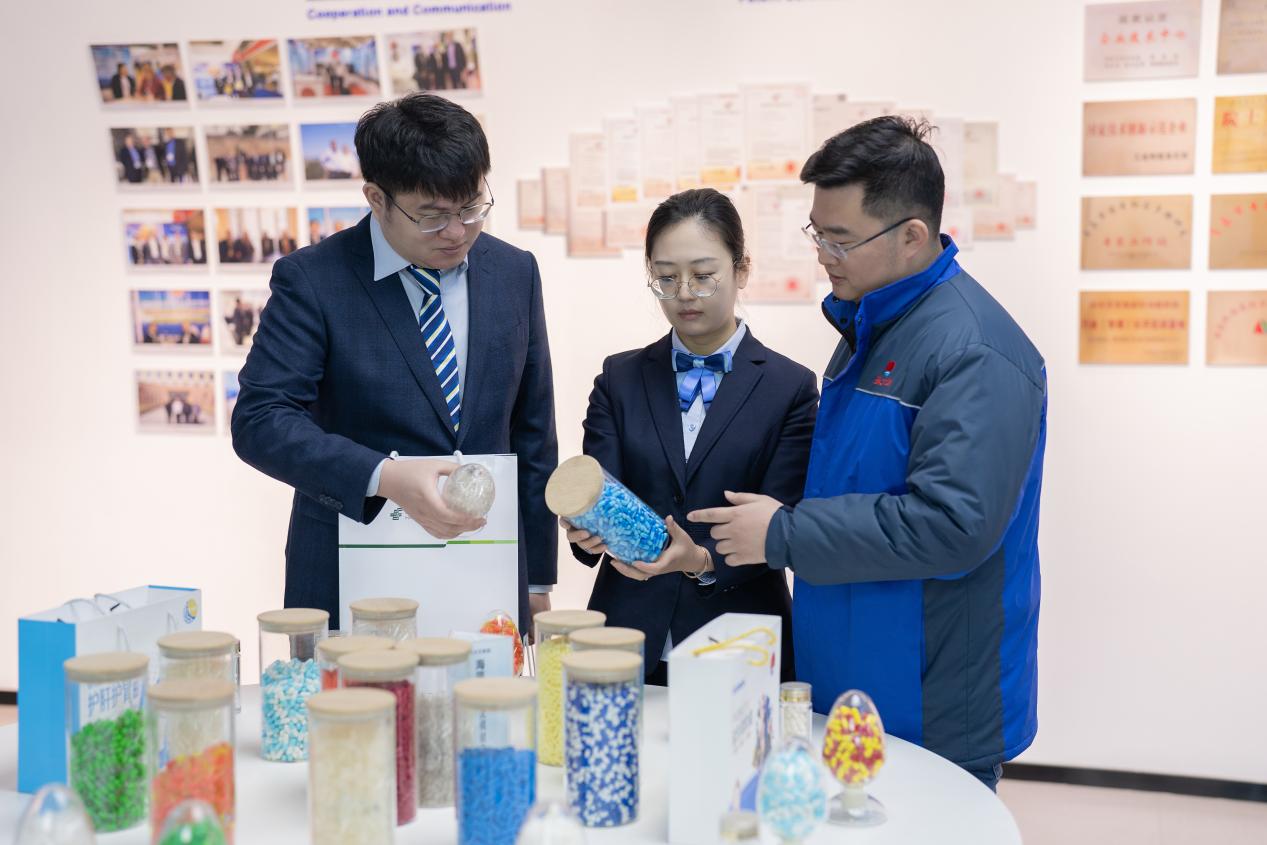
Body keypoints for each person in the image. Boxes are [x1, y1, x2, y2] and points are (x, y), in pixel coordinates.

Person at [689, 116, 1047, 792]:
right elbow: (852, 481)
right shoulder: (875, 325)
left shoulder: (974, 352)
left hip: (929, 700)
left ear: (911, 235)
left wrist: (783, 532)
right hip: (858, 684)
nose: (823, 254)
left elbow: (952, 525)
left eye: (841, 239)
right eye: (816, 233)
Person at [232, 93, 558, 630]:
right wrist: (382, 476)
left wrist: (537, 578)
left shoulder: (514, 272)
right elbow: (260, 420)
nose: (457, 232)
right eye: (432, 216)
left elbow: (533, 428)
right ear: (376, 198)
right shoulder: (314, 280)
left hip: (486, 565)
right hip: (352, 564)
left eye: (471, 207)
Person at [563, 189, 817, 684]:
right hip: (628, 633)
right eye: (666, 277)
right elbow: (601, 490)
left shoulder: (790, 387)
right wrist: (584, 527)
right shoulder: (619, 378)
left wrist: (701, 560)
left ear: (742, 269)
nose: (683, 292)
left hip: (739, 636)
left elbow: (780, 521)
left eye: (703, 276)